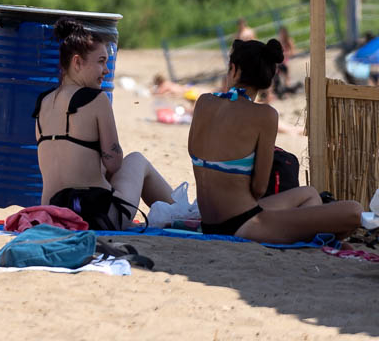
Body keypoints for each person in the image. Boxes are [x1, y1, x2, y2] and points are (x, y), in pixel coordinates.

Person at [187, 39, 361, 243]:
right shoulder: (265, 115)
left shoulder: (203, 102)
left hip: (209, 222)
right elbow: (259, 188)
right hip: (242, 224)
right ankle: (314, 233)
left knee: (309, 193)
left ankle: (311, 231)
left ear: (233, 70)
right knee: (354, 211)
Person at [33, 19, 174, 230]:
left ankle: (179, 210)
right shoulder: (97, 100)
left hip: (53, 214)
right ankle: (181, 211)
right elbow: (114, 164)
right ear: (77, 62)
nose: (106, 70)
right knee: (137, 160)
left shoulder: (42, 103)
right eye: (101, 61)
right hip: (96, 215)